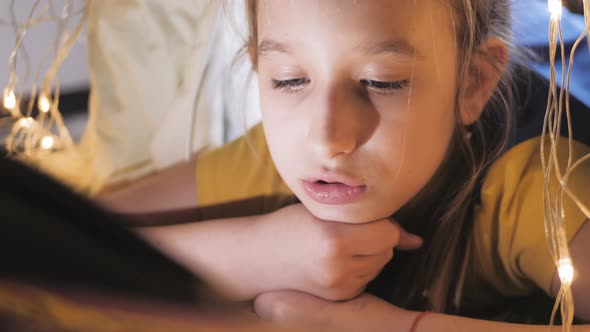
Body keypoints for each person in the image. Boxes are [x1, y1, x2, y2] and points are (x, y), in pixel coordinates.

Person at [98, 1, 590, 331]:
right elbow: (47, 239)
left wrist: (388, 327)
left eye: (382, 82)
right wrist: (249, 252)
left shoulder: (538, 187)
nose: (327, 138)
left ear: (472, 84)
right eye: (290, 80)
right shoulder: (266, 161)